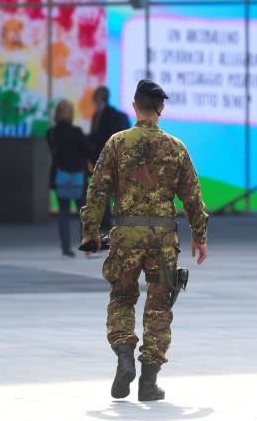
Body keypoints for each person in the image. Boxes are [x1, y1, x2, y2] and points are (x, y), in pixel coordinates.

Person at [80, 79, 208, 402]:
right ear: (161, 109)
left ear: (135, 106)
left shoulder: (116, 143)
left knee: (122, 298)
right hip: (163, 238)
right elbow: (192, 196)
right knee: (159, 307)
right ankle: (148, 382)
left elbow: (97, 191)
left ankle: (125, 355)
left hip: (125, 235)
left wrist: (90, 232)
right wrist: (200, 235)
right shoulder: (176, 147)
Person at [47, 99, 95, 258]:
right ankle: (87, 247)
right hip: (77, 178)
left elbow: (55, 154)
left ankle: (66, 249)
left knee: (63, 213)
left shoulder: (52, 133)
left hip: (60, 177)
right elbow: (89, 151)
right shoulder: (77, 132)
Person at [89, 86, 131, 235]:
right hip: (99, 159)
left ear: (100, 98)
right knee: (103, 191)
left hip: (112, 158)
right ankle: (106, 221)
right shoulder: (96, 115)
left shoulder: (112, 114)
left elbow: (108, 136)